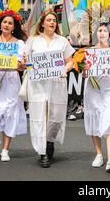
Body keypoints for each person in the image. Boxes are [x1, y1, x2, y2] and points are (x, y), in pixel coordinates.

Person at [24, 10, 75, 168]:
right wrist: (29, 64)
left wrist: (65, 69)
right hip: (38, 84)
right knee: (40, 115)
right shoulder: (33, 41)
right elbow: (26, 61)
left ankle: (50, 140)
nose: (52, 23)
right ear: (43, 23)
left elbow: (70, 61)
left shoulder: (62, 42)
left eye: (54, 20)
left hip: (57, 82)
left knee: (55, 115)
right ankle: (42, 151)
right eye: (49, 20)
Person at [0, 10, 27, 162]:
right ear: (0, 24)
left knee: (10, 112)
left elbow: (21, 66)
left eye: (10, 23)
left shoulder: (20, 43)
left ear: (14, 26)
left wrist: (22, 65)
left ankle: (5, 149)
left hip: (11, 80)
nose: (7, 25)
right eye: (4, 22)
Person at [83, 22, 110, 173]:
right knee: (96, 117)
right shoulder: (90, 51)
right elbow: (84, 75)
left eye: (105, 31)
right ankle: (99, 154)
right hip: (93, 88)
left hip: (109, 88)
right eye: (99, 30)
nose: (102, 33)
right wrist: (85, 70)